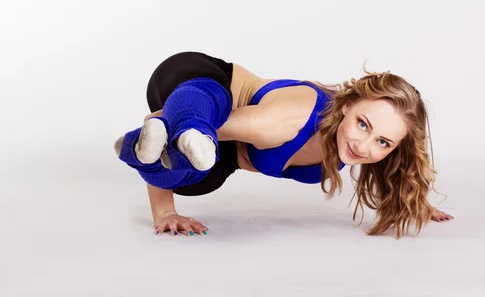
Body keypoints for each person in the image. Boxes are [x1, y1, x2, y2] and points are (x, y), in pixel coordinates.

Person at [113, 51, 453, 238]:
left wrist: (413, 199)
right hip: (197, 84)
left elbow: (397, 171)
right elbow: (156, 122)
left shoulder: (361, 142)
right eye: (363, 125)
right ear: (348, 106)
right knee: (197, 126)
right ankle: (149, 143)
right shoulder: (285, 124)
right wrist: (165, 213)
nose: (363, 146)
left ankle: (166, 147)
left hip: (224, 148)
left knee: (199, 174)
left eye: (383, 142)